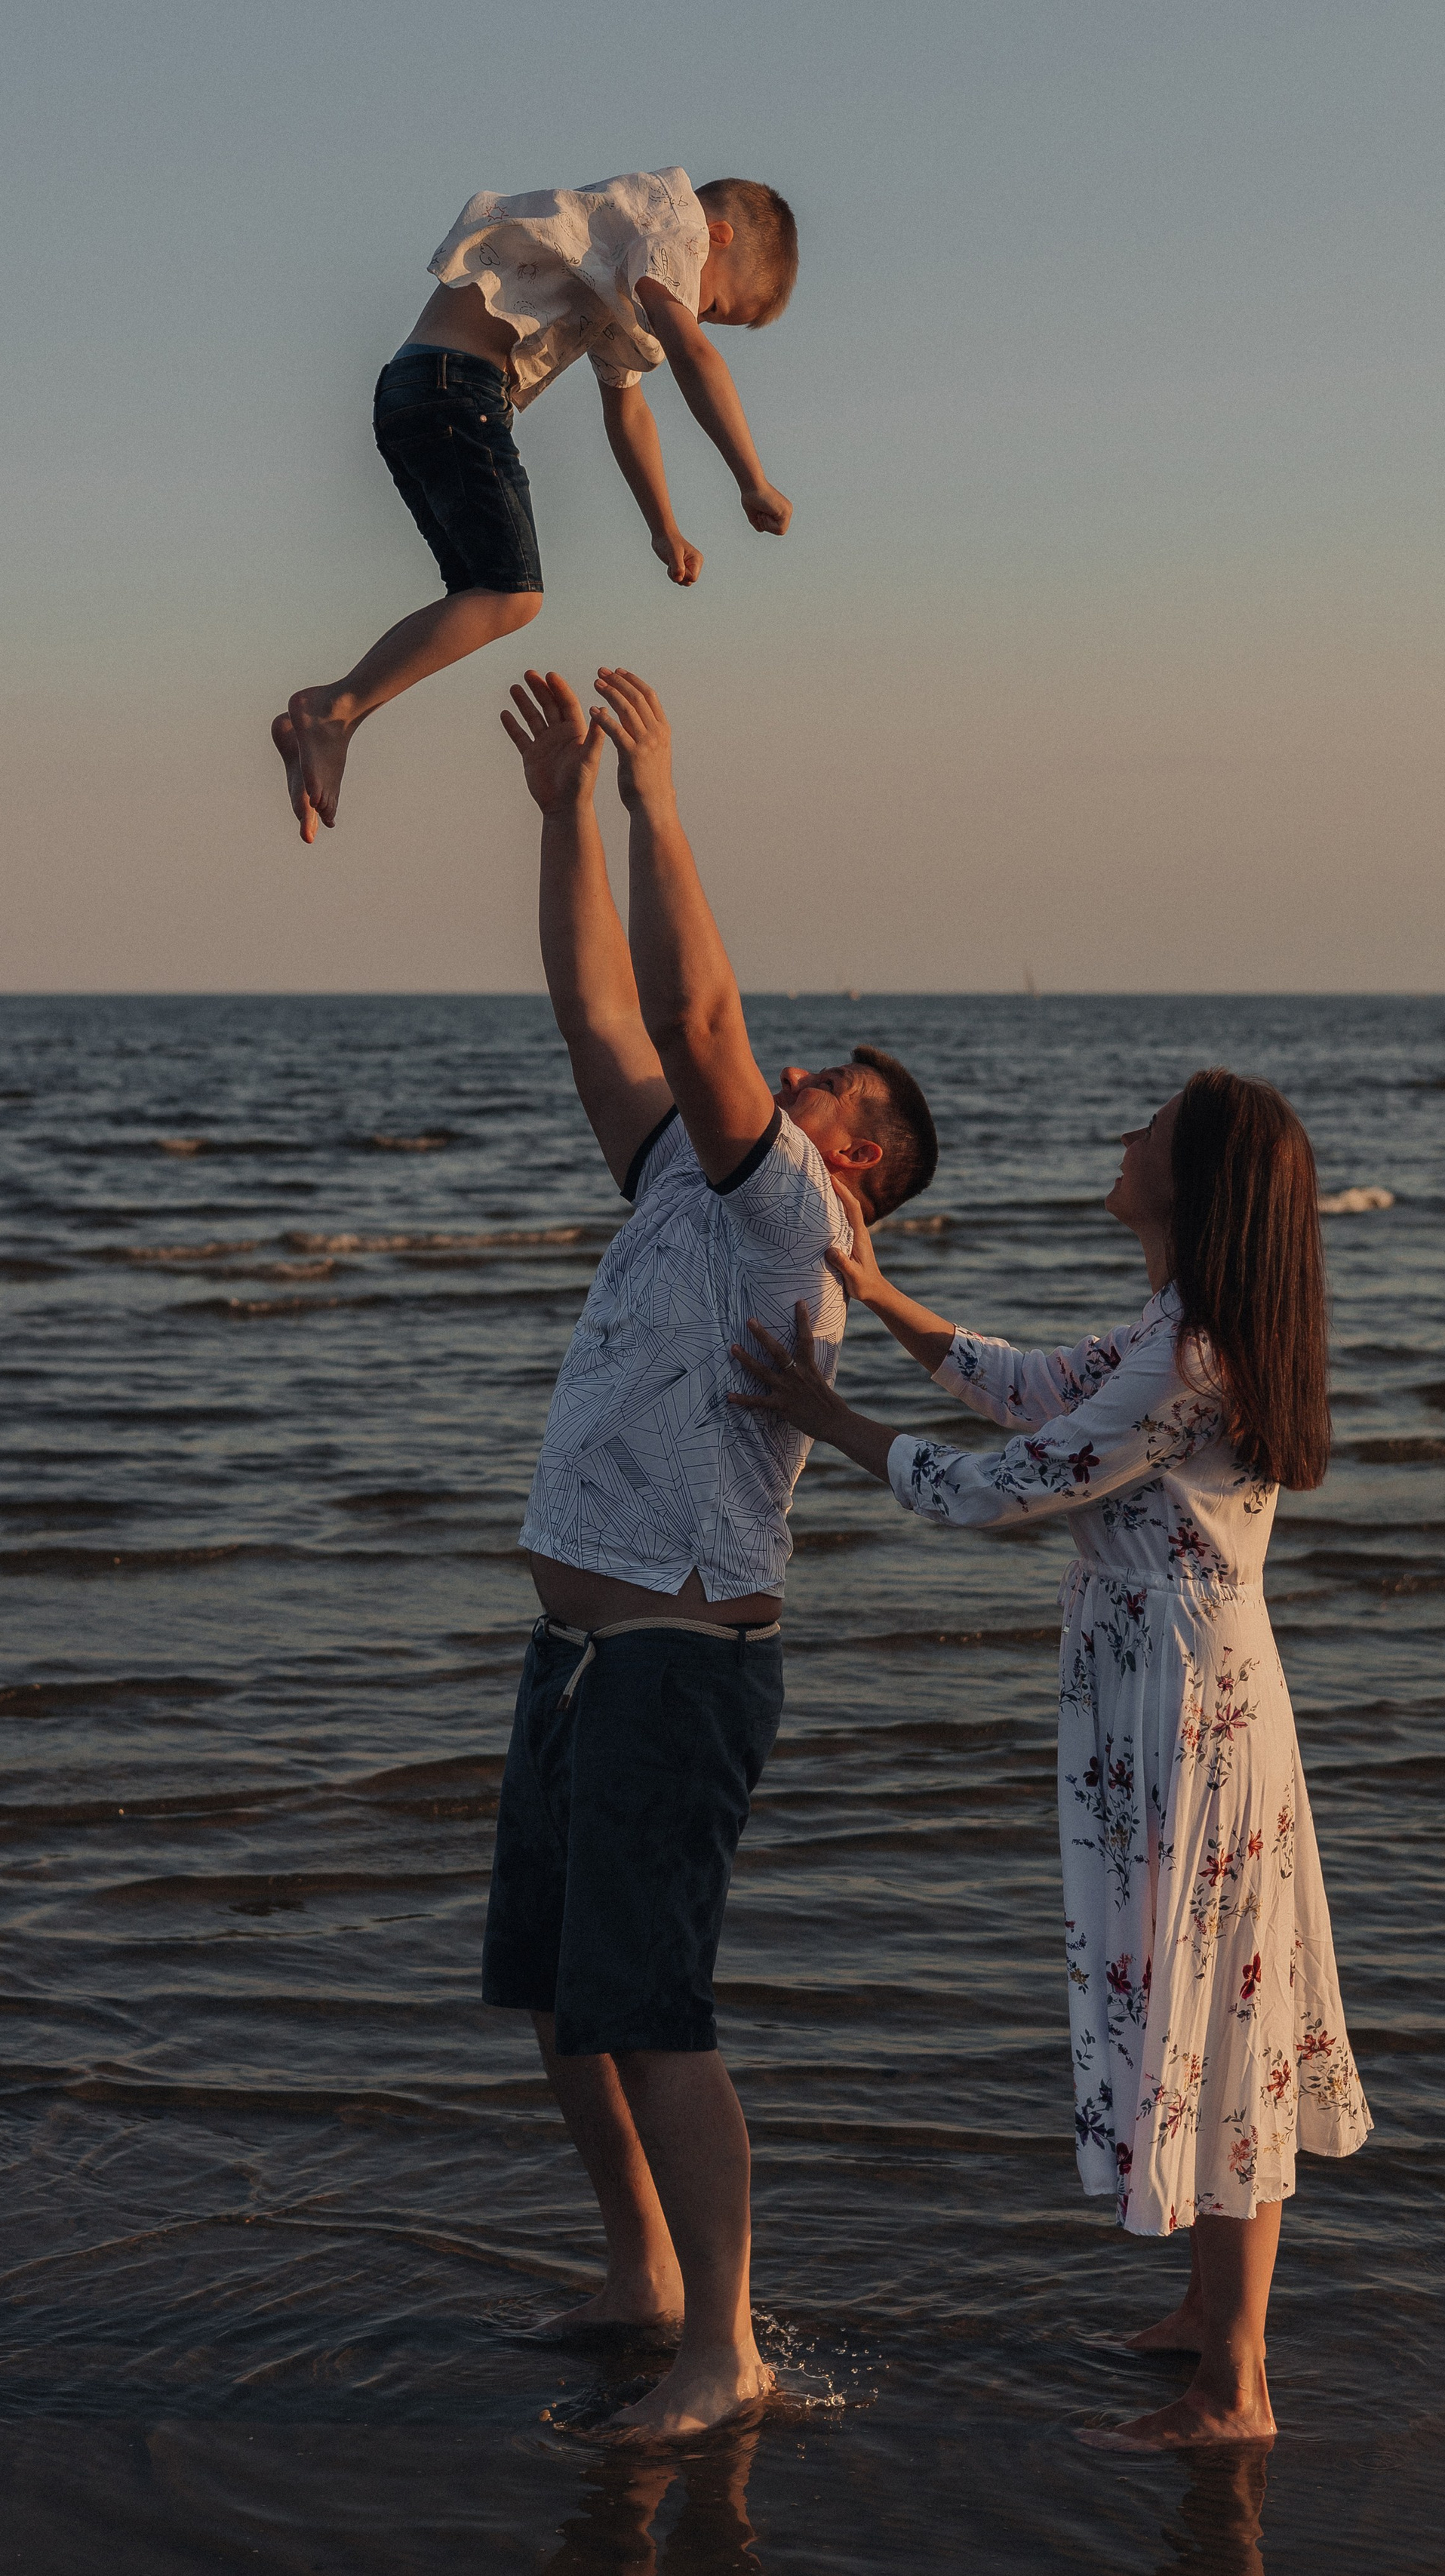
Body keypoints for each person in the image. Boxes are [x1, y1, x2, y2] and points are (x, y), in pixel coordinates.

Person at [730, 1069, 1373, 2448]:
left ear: (1192, 1186)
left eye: (1148, 1128)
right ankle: (1212, 2314)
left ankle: (1236, 2387)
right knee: (1197, 1995)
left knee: (1223, 2014)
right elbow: (1034, 1387)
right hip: (1164, 1701)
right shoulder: (1178, 1327)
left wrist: (823, 1413)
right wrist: (887, 1297)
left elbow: (1000, 1484)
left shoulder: (1193, 1354)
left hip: (1188, 1714)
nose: (1123, 1136)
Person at [484, 662, 938, 2440]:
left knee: (652, 2012)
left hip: (680, 1659)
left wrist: (656, 796)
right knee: (556, 1997)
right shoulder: (693, 1167)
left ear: (859, 1161)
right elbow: (601, 1006)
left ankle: (722, 2347)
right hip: (585, 1650)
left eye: (843, 1086)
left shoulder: (789, 1203)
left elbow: (689, 995)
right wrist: (559, 818)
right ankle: (641, 2275)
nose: (804, 1072)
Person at [271, 173, 798, 844]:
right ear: (715, 238)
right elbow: (694, 353)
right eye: (716, 304)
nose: (696, 317)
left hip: (412, 391)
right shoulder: (673, 227)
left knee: (479, 598)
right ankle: (331, 709)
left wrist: (663, 527)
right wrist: (751, 477)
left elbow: (627, 409)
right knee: (512, 596)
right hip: (459, 390)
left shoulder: (621, 252)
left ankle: (331, 719)